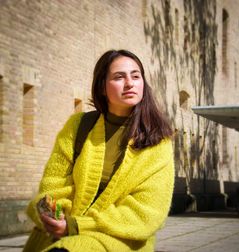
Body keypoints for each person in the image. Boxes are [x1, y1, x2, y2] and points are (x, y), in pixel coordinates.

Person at [23, 49, 174, 252]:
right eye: (119, 77)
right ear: (102, 87)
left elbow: (146, 212)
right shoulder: (78, 126)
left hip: (116, 239)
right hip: (58, 234)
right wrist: (54, 216)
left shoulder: (158, 142)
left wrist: (77, 226)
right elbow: (53, 183)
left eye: (136, 76)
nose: (130, 83)